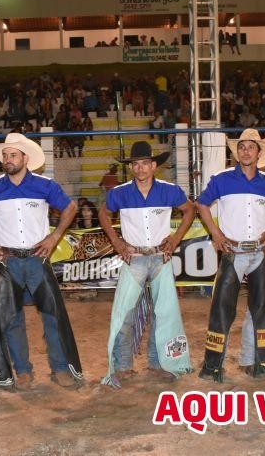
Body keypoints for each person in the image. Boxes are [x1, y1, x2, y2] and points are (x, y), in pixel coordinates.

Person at [0, 133, 83, 389]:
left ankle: (59, 368)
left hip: (37, 258)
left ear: (26, 158)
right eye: (5, 155)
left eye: (13, 155)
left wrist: (54, 237)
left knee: (52, 315)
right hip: (6, 260)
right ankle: (22, 370)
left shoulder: (45, 186)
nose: (8, 160)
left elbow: (71, 208)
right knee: (11, 319)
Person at [99, 141, 195, 388]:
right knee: (125, 313)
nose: (140, 168)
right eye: (135, 164)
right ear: (131, 167)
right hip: (135, 259)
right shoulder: (119, 193)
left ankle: (158, 363)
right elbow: (103, 214)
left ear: (154, 166)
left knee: (164, 313)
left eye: (145, 163)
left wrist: (174, 239)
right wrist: (116, 241)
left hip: (160, 257)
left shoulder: (169, 190)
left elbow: (189, 211)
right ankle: (122, 366)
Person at [196, 129, 265, 381]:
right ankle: (213, 367)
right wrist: (215, 234)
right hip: (232, 251)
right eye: (242, 146)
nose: (246, 151)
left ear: (259, 153)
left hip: (259, 252)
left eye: (251, 147)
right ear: (237, 152)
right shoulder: (222, 179)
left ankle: (253, 360)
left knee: (260, 309)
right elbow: (201, 204)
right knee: (222, 309)